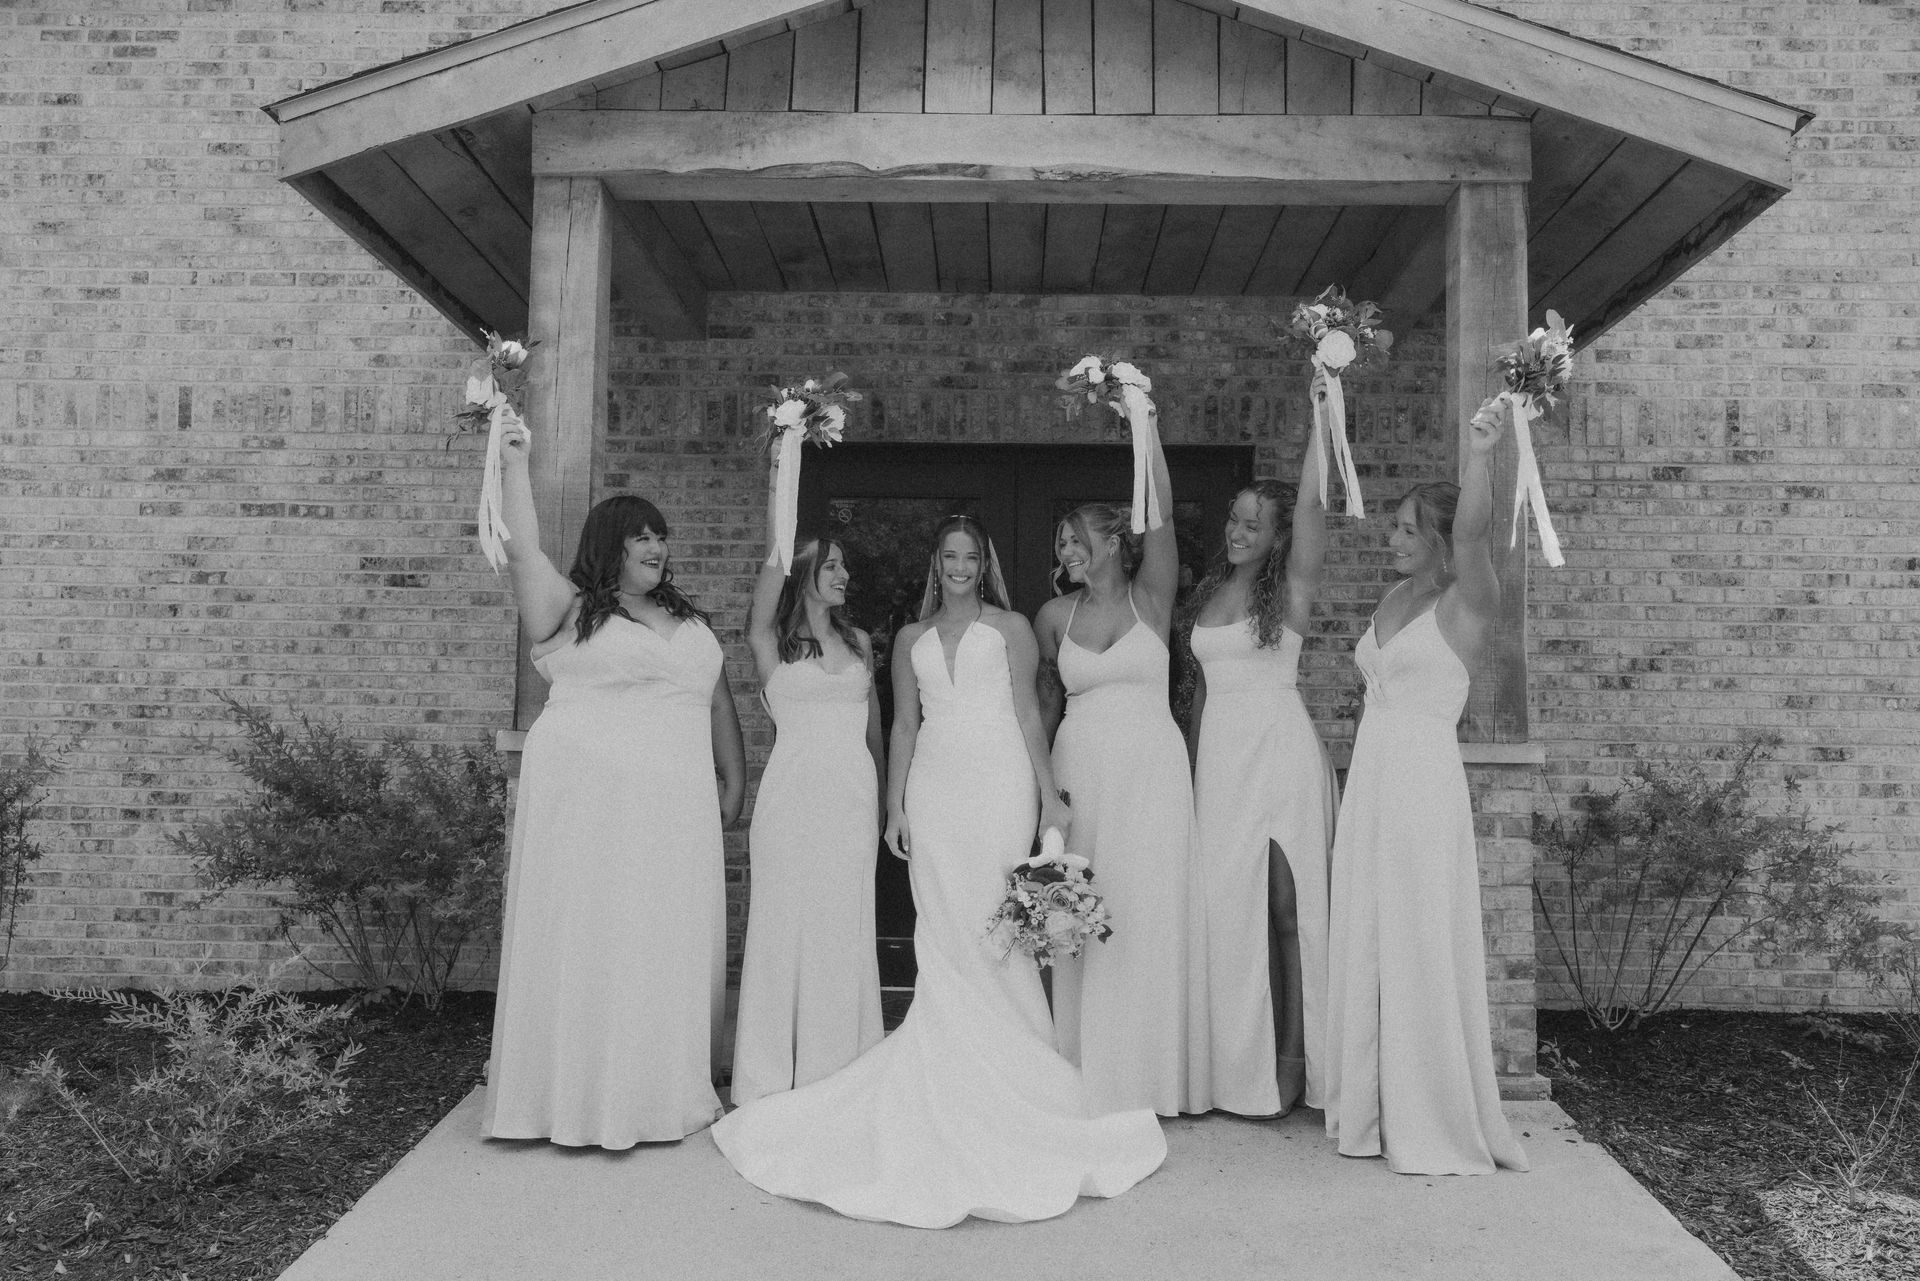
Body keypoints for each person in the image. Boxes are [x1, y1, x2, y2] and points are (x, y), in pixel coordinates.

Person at [711, 514, 1167, 1228]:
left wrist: (1048, 793)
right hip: (934, 785)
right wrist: (894, 803)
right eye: (949, 555)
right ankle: (942, 1060)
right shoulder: (906, 639)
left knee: (993, 923)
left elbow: (1025, 713)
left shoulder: (1013, 627)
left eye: (969, 555)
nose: (959, 565)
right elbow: (900, 725)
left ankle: (1019, 1066)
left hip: (998, 781)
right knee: (943, 928)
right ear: (937, 564)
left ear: (984, 563)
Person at [479, 410, 747, 1149]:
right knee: (597, 935)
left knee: (663, 939)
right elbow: (522, 546)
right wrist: (512, 463)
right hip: (592, 807)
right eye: (641, 535)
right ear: (611, 546)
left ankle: (657, 1088)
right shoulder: (571, 612)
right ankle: (574, 1094)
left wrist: (732, 779)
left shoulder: (686, 619)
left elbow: (715, 698)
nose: (658, 546)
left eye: (662, 535)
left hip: (676, 809)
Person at [1322, 404, 1529, 1175]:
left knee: (1414, 935)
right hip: (1372, 778)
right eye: (1395, 527)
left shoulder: (1465, 601)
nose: (1395, 538)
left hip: (1420, 782)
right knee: (1369, 930)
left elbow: (1477, 530)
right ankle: (1367, 1103)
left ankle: (1427, 1108)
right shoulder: (1392, 600)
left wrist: (1481, 452)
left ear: (1440, 537)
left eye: (1410, 528)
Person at [1035, 418, 1205, 1117]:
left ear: (1113, 541)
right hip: (1083, 772)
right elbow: (1041, 710)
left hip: (1151, 773)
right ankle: (1081, 1063)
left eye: (1078, 538)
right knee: (1082, 908)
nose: (1068, 550)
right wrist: (1043, 794)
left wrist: (1146, 424)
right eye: (1062, 543)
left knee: (1146, 908)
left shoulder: (1152, 597)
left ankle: (1151, 1073)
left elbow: (1159, 512)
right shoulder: (1051, 616)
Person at [1181, 415, 1337, 1118]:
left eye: (1254, 523)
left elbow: (1311, 505)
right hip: (1220, 762)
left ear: (1277, 537)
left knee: (1285, 906)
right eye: (1235, 519)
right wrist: (1189, 773)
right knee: (1227, 911)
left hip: (1277, 751)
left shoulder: (1291, 591)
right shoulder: (1209, 591)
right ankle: (1235, 1065)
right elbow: (1203, 692)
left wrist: (1321, 407)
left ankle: (1296, 1063)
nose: (1238, 530)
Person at [729, 465, 885, 1106]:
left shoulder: (861, 644)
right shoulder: (772, 644)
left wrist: (882, 804)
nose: (844, 576)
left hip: (851, 799)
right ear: (804, 577)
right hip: (791, 801)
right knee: (785, 924)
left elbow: (874, 734)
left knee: (842, 925)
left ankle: (840, 1068)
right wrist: (785, 466)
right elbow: (768, 583)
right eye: (831, 566)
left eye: (845, 566)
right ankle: (771, 1074)